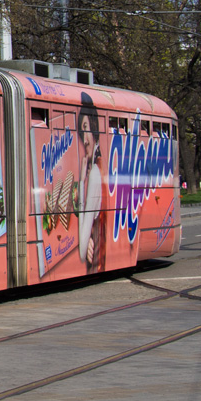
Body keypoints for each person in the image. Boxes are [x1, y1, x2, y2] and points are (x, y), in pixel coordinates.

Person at [77, 92, 107, 271]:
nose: (84, 140)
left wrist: (81, 182)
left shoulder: (94, 174)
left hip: (96, 264)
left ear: (95, 128)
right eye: (81, 132)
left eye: (86, 128)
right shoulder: (100, 165)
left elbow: (82, 251)